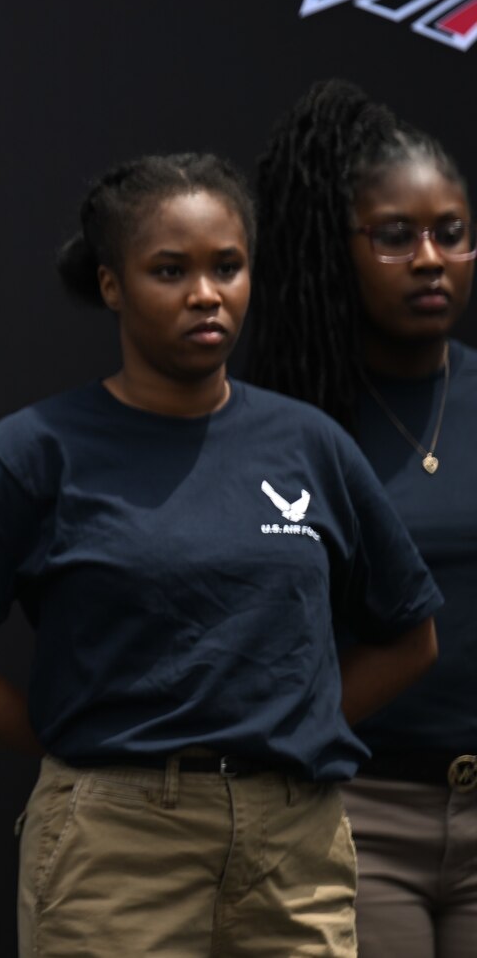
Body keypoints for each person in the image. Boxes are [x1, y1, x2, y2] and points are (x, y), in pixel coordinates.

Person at [0, 152, 443, 958]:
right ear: (113, 284)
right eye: (170, 270)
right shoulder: (34, 450)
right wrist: (80, 748)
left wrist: (286, 726)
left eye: (228, 266)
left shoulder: (310, 443)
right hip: (116, 846)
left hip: (296, 845)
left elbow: (409, 633)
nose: (206, 293)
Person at [248, 80, 476, 957]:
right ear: (332, 250)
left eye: (450, 233)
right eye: (395, 236)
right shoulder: (287, 422)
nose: (429, 258)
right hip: (357, 816)